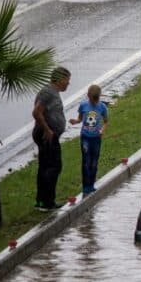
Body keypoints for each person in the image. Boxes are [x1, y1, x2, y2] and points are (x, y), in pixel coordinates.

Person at [32, 66, 71, 212]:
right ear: (60, 79)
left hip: (50, 134)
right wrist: (47, 130)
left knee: (46, 166)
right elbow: (36, 112)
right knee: (53, 167)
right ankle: (47, 202)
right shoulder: (48, 92)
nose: (68, 83)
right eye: (67, 80)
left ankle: (42, 201)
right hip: (46, 135)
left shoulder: (53, 92)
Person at [69, 85, 109, 197]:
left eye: (96, 100)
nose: (94, 102)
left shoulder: (102, 107)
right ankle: (85, 186)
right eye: (92, 99)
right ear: (88, 96)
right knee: (86, 161)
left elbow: (106, 121)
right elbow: (80, 118)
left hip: (96, 138)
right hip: (85, 137)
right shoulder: (83, 105)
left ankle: (91, 184)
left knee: (94, 162)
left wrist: (102, 130)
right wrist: (75, 121)